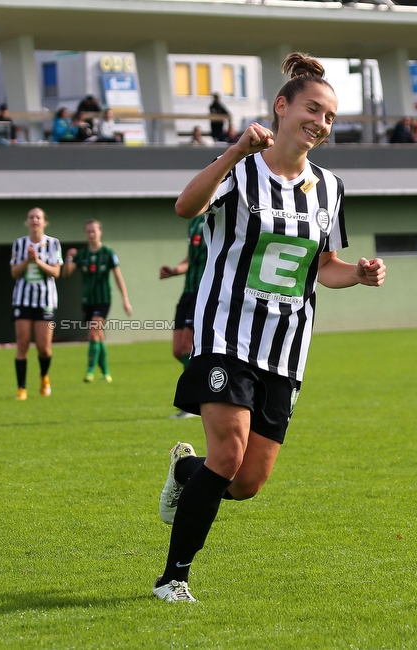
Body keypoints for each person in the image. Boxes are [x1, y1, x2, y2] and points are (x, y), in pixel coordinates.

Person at [152, 52, 386, 603]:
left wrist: (360, 272)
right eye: (312, 109)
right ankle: (174, 577)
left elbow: (324, 267)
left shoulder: (330, 187)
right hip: (225, 336)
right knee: (227, 455)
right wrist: (234, 150)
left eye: (330, 116)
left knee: (247, 481)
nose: (321, 123)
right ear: (282, 107)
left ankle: (186, 474)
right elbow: (186, 207)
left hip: (286, 347)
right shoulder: (241, 167)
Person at [63, 219, 132, 383]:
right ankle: (106, 373)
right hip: (87, 300)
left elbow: (118, 277)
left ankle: (90, 371)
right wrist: (68, 259)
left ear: (100, 232)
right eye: (88, 231)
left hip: (103, 300)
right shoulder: (82, 255)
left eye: (94, 230)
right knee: (98, 336)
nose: (91, 234)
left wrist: (125, 300)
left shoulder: (108, 253)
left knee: (94, 331)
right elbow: (66, 274)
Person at [159, 212, 208, 417]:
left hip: (204, 289)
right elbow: (191, 259)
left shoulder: (221, 216)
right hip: (188, 290)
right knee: (178, 350)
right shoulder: (195, 220)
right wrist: (174, 270)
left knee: (188, 346)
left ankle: (193, 405)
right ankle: (207, 384)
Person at [11, 207, 62, 400]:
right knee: (22, 344)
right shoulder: (19, 244)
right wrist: (27, 260)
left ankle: (44, 376)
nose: (35, 220)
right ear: (27, 222)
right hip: (22, 300)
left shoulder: (53, 243)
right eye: (31, 217)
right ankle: (21, 388)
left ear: (44, 222)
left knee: (43, 347)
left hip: (45, 301)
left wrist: (38, 261)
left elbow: (56, 273)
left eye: (38, 217)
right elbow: (14, 273)